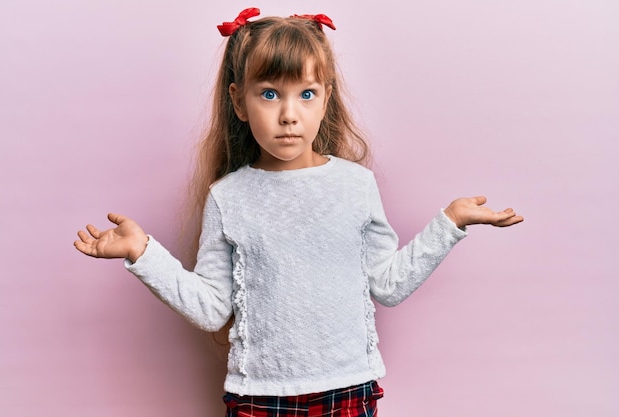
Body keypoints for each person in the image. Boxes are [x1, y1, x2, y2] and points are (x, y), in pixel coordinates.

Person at [74, 7, 523, 417]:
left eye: (306, 94)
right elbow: (212, 309)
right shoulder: (228, 197)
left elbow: (388, 283)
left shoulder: (355, 185)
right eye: (269, 95)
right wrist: (143, 253)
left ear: (325, 98)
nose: (289, 114)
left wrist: (449, 223)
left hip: (347, 388)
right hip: (258, 396)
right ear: (238, 102)